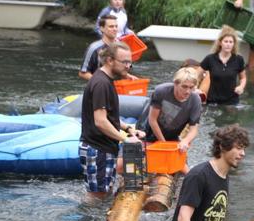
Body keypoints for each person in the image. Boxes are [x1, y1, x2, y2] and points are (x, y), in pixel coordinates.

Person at [159, 125, 250, 221]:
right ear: (222, 147)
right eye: (239, 148)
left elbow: (209, 216)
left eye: (244, 149)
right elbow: (183, 216)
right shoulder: (198, 176)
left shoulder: (223, 176)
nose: (243, 154)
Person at [79, 41, 146, 195]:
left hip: (103, 148)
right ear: (109, 60)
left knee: (104, 191)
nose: (128, 66)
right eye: (125, 62)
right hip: (97, 149)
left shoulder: (106, 81)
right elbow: (101, 121)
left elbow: (110, 118)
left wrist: (128, 128)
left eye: (130, 62)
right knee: (98, 196)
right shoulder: (101, 84)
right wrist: (125, 139)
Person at [145, 67, 203, 174]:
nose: (188, 91)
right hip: (149, 133)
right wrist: (163, 144)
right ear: (175, 84)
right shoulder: (161, 91)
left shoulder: (195, 100)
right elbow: (152, 120)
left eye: (191, 87)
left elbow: (194, 129)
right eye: (184, 87)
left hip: (172, 137)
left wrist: (185, 141)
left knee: (183, 169)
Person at [199, 27, 247, 106]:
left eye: (231, 42)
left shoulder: (239, 59)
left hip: (232, 101)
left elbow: (243, 78)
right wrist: (195, 89)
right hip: (213, 101)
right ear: (220, 43)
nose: (228, 44)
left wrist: (241, 87)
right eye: (226, 41)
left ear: (234, 44)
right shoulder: (210, 58)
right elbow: (196, 75)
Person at [79, 15, 119, 81]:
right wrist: (101, 82)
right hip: (100, 88)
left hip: (119, 87)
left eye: (116, 26)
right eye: (111, 26)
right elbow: (83, 73)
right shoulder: (93, 48)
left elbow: (128, 67)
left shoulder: (121, 46)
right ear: (101, 28)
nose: (115, 29)